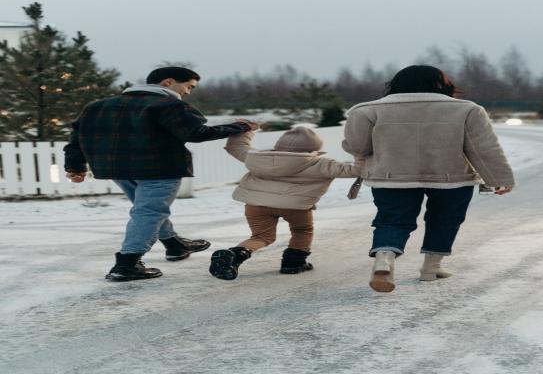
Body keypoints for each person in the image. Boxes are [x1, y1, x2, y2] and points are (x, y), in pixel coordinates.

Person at [63, 66, 259, 281]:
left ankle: (174, 245)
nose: (188, 92)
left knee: (148, 209)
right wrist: (238, 127)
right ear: (168, 82)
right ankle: (127, 264)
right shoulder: (168, 105)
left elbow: (77, 138)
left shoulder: (97, 106)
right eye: (188, 86)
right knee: (149, 212)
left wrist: (75, 167)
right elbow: (197, 133)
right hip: (158, 168)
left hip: (116, 168)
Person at [342, 65, 515, 293]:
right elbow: (483, 149)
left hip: (391, 178)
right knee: (445, 219)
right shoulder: (467, 110)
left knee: (392, 219)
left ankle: (384, 259)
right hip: (452, 177)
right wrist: (498, 178)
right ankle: (431, 268)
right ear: (442, 84)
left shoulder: (366, 110)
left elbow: (358, 147)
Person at [209, 126, 363, 280]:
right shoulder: (322, 164)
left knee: (261, 236)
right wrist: (362, 150)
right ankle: (293, 263)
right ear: (314, 148)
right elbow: (357, 170)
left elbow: (236, 147)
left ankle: (236, 254)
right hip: (296, 207)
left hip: (257, 205)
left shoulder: (257, 157)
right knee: (302, 231)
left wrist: (247, 128)